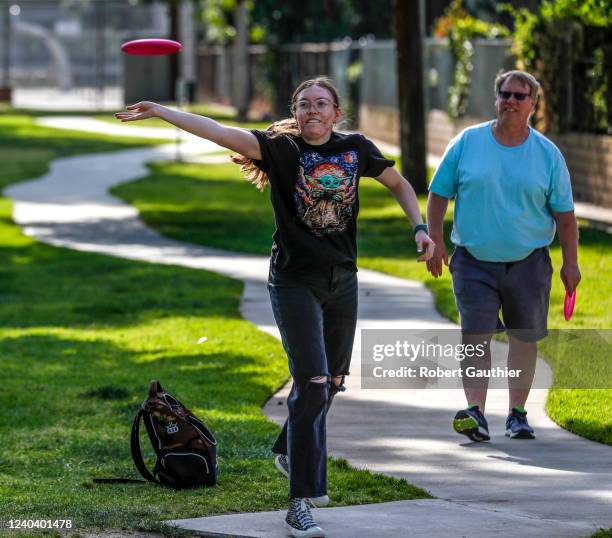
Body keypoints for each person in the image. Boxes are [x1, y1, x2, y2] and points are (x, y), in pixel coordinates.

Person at [116, 77, 434, 538]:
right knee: (313, 381)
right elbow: (216, 131)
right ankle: (302, 502)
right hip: (293, 282)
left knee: (333, 384)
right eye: (304, 105)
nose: (312, 111)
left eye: (321, 104)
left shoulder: (356, 148)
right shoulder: (279, 149)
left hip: (342, 280)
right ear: (296, 111)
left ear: (336, 111)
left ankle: (289, 446)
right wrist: (164, 112)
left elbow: (400, 184)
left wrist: (419, 228)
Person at [426, 70, 581, 443]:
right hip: (473, 259)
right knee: (475, 336)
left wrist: (571, 264)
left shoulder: (547, 154)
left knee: (523, 339)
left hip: (529, 261)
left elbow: (565, 215)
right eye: (504, 94)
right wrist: (435, 239)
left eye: (519, 96)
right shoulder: (467, 142)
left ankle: (517, 414)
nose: (510, 100)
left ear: (532, 104)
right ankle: (475, 413)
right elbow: (438, 193)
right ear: (496, 98)